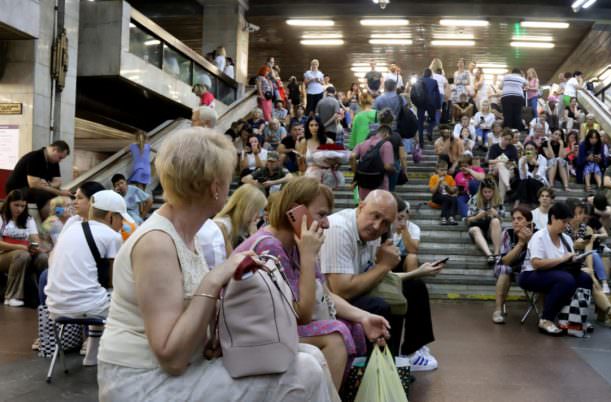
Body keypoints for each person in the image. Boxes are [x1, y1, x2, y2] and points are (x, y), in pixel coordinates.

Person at [98, 128, 334, 401]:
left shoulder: (185, 234)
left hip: (178, 370)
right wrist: (214, 279)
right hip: (143, 383)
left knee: (311, 355)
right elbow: (170, 357)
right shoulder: (157, 244)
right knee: (304, 371)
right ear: (215, 188)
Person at [235, 177, 390, 390]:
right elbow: (301, 315)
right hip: (253, 337)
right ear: (294, 212)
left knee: (354, 326)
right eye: (322, 214)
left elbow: (325, 294)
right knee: (336, 334)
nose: (326, 223)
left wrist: (363, 317)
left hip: (276, 329)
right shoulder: (269, 247)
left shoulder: (296, 244)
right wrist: (308, 256)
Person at [319, 190, 445, 371]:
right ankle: (382, 367)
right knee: (380, 305)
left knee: (414, 287)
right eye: (375, 216)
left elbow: (379, 276)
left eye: (385, 222)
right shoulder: (339, 230)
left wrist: (417, 272)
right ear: (361, 207)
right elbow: (341, 290)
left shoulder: (375, 233)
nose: (377, 226)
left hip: (355, 285)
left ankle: (410, 351)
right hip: (333, 299)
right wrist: (384, 266)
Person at [44, 190, 126, 366]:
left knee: (100, 294)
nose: (122, 223)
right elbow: (115, 280)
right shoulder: (112, 236)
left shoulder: (71, 228)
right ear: (111, 216)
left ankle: (91, 355)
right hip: (86, 306)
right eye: (121, 218)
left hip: (54, 307)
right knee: (123, 298)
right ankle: (123, 359)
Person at [518, 202, 592, 335]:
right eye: (563, 221)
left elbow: (566, 261)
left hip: (556, 273)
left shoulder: (566, 239)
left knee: (585, 279)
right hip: (531, 274)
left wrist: (574, 259)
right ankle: (546, 319)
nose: (566, 225)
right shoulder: (539, 236)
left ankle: (575, 318)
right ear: (553, 218)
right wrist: (562, 259)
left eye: (567, 222)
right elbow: (536, 263)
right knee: (566, 280)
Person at [0, 189, 49, 307]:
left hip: (24, 253)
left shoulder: (28, 219)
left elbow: (35, 239)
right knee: (22, 255)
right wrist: (21, 247)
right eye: (16, 205)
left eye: (22, 206)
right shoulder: (2, 217)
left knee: (43, 257)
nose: (19, 209)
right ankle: (11, 296)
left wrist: (36, 247)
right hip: (3, 255)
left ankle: (45, 297)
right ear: (9, 203)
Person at [5, 141, 71, 218]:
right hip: (17, 189)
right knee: (42, 195)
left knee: (63, 196)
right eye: (60, 157)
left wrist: (48, 184)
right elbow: (34, 184)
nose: (60, 161)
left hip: (32, 189)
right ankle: (49, 223)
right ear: (54, 150)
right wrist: (59, 192)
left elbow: (58, 181)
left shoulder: (53, 161)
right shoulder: (35, 157)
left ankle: (60, 218)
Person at [493, 207, 534, 323]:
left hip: (529, 269)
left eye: (519, 218)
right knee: (504, 269)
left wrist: (530, 241)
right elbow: (505, 260)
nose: (515, 221)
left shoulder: (538, 234)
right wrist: (521, 244)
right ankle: (498, 310)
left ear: (529, 222)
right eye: (513, 219)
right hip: (509, 267)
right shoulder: (508, 233)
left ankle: (544, 313)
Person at [352, 124, 395, 201]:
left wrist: (356, 173)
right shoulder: (386, 144)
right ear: (386, 134)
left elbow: (352, 157)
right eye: (389, 137)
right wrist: (394, 170)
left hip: (363, 184)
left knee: (365, 207)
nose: (389, 139)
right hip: (380, 185)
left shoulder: (362, 144)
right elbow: (387, 166)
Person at [467, 180, 505, 265]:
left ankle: (496, 253)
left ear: (493, 191)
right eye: (485, 192)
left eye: (489, 192)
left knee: (496, 221)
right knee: (475, 229)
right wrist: (478, 216)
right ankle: (489, 255)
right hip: (476, 228)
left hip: (490, 229)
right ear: (481, 191)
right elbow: (468, 220)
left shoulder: (498, 199)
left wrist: (496, 214)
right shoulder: (475, 199)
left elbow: (501, 220)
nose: (487, 194)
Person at [487, 130, 519, 198]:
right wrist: (501, 160)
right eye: (506, 139)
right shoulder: (494, 147)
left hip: (509, 170)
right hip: (495, 170)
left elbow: (515, 163)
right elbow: (489, 161)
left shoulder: (512, 148)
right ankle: (508, 186)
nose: (507, 141)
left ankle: (501, 202)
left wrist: (507, 163)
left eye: (509, 139)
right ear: (501, 137)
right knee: (500, 164)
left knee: (502, 175)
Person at [415, 68, 441, 147]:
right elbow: (437, 94)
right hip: (431, 103)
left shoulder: (418, 80)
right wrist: (438, 106)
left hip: (421, 103)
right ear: (430, 74)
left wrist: (416, 103)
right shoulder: (434, 82)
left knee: (420, 122)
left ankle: (421, 142)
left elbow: (415, 92)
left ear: (424, 73)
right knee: (432, 120)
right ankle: (429, 131)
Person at [429, 161, 459, 226]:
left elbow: (453, 190)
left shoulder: (450, 177)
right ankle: (443, 217)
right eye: (442, 170)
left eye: (445, 170)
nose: (444, 172)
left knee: (454, 198)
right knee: (446, 198)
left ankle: (451, 217)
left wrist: (447, 186)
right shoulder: (433, 177)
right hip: (437, 197)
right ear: (437, 170)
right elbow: (432, 191)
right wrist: (438, 182)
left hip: (447, 196)